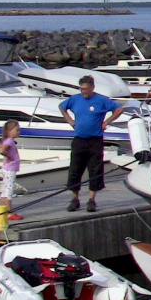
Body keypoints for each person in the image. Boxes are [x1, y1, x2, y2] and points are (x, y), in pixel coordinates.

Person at [59, 76, 123, 213]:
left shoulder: (101, 100)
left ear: (92, 87)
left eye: (86, 89)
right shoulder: (75, 99)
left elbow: (118, 109)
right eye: (81, 89)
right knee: (75, 169)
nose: (83, 92)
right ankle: (74, 198)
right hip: (79, 140)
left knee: (95, 170)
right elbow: (62, 106)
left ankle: (92, 199)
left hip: (95, 140)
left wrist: (106, 122)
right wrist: (70, 120)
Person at [0, 120, 23, 221]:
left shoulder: (7, 140)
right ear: (9, 131)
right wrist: (9, 156)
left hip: (7, 168)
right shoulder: (10, 141)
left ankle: (4, 210)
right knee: (9, 190)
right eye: (17, 130)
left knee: (5, 190)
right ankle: (9, 212)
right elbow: (2, 150)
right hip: (10, 169)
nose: (18, 132)